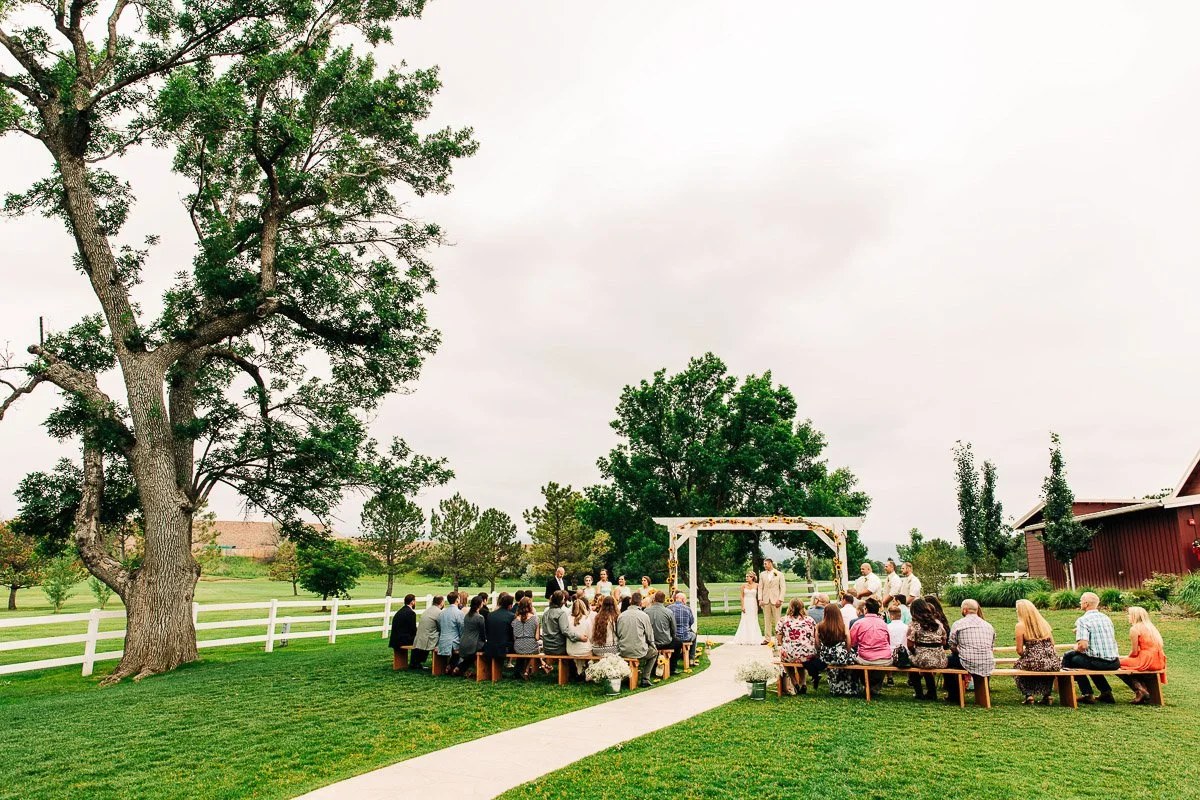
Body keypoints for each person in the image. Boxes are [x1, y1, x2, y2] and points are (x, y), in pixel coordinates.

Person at [1061, 591, 1121, 703]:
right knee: (1085, 661)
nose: (1079, 602)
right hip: (1114, 662)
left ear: (1086, 604)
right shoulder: (1106, 618)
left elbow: (1083, 646)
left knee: (1073, 659)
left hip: (1099, 662)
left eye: (1081, 601)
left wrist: (1075, 648)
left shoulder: (1083, 620)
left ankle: (1087, 694)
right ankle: (1106, 692)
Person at [946, 599, 995, 703]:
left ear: (965, 610)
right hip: (987, 661)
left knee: (947, 662)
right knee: (983, 660)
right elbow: (991, 646)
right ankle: (985, 694)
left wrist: (958, 651)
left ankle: (954, 695)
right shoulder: (988, 625)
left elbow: (951, 644)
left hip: (966, 660)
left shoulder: (958, 624)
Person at [1013, 598, 1058, 705]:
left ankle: (1029, 695)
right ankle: (1047, 694)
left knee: (1018, 666)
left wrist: (1028, 655)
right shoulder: (1044, 624)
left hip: (1033, 660)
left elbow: (1019, 650)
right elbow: (1053, 643)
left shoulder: (1020, 626)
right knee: (1048, 668)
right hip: (1051, 660)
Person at [1119, 606, 1167, 704]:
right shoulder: (1151, 627)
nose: (1128, 617)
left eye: (1129, 615)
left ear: (1134, 616)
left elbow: (1134, 652)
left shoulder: (1135, 629)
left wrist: (1124, 657)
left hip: (1146, 660)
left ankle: (1139, 690)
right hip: (1158, 660)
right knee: (1123, 662)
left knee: (1115, 663)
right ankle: (1143, 689)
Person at [816, 603, 861, 696]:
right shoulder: (842, 626)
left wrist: (821, 651)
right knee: (853, 660)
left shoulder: (819, 626)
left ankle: (835, 687)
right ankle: (848, 687)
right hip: (840, 655)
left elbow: (817, 643)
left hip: (826, 657)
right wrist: (847, 652)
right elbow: (849, 641)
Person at [906, 598, 947, 700]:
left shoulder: (914, 625)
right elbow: (944, 641)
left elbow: (910, 645)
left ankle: (918, 692)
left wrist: (916, 652)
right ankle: (932, 692)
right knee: (927, 666)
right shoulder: (938, 623)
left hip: (923, 658)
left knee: (911, 662)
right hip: (940, 659)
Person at [849, 597, 892, 694]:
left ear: (866, 609)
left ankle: (865, 685)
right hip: (885, 658)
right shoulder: (883, 623)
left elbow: (852, 642)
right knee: (879, 662)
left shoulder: (858, 623)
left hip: (866, 658)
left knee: (855, 660)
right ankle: (875, 687)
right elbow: (888, 641)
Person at [777, 597, 819, 694]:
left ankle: (794, 681)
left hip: (790, 653)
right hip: (807, 654)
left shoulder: (783, 620)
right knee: (801, 656)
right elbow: (814, 634)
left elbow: (779, 638)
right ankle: (803, 683)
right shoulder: (810, 620)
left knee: (787, 657)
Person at [617, 591, 657, 688]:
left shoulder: (621, 615)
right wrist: (653, 646)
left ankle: (626, 676)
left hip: (623, 650)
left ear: (630, 602)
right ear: (640, 603)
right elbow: (649, 635)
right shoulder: (644, 616)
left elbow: (617, 633)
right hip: (639, 651)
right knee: (654, 653)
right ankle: (645, 678)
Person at [645, 590, 677, 679]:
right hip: (665, 642)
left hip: (650, 643)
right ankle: (672, 668)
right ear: (664, 600)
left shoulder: (646, 611)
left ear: (654, 599)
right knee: (678, 642)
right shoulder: (668, 612)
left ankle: (653, 667)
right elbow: (674, 629)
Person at [483, 593, 516, 677]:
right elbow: (513, 634)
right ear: (510, 605)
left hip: (489, 645)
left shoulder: (490, 615)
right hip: (504, 647)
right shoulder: (511, 616)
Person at [511, 596, 542, 679]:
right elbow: (537, 637)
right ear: (530, 606)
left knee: (526, 651)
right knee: (532, 649)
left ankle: (524, 671)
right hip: (531, 646)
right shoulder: (535, 619)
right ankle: (526, 671)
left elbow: (514, 636)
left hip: (518, 647)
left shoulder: (515, 619)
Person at [758, 558, 787, 645]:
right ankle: (767, 639)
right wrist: (760, 599)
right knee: (767, 620)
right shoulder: (762, 574)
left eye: (765, 564)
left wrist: (780, 599)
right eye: (764, 564)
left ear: (770, 563)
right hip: (766, 600)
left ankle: (779, 640)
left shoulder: (779, 574)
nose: (764, 565)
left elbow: (783, 587)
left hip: (776, 600)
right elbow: (760, 587)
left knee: (777, 620)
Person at [458, 594, 488, 678]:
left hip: (463, 642)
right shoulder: (480, 617)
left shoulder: (467, 616)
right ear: (480, 604)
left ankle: (459, 667)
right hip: (473, 644)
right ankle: (485, 670)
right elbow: (482, 634)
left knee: (471, 657)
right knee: (485, 650)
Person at [437, 591, 465, 674]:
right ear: (457, 600)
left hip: (442, 641)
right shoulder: (459, 613)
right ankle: (456, 667)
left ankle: (450, 665)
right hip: (453, 642)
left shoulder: (442, 613)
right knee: (464, 648)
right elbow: (462, 629)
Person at [668, 591, 697, 673]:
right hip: (685, 636)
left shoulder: (668, 608)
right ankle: (691, 658)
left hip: (673, 638)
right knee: (694, 635)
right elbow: (691, 622)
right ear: (683, 600)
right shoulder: (687, 609)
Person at [566, 598, 595, 678]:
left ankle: (579, 671)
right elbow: (591, 635)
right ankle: (587, 672)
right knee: (590, 649)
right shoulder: (586, 618)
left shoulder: (568, 619)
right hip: (584, 650)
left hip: (570, 650)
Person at [388, 593, 418, 670]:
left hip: (395, 640)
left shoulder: (400, 611)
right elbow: (413, 630)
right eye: (415, 601)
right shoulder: (411, 613)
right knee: (420, 640)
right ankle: (415, 663)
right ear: (412, 602)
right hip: (403, 640)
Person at [732, 571, 763, 645]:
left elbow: (761, 594)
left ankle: (753, 638)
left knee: (753, 619)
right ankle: (743, 638)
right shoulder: (743, 585)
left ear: (752, 578)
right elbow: (741, 596)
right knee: (745, 619)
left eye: (748, 576)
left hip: (753, 603)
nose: (746, 578)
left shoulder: (757, 585)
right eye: (746, 576)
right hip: (746, 603)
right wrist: (742, 606)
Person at [541, 590, 572, 657]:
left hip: (546, 647)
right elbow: (565, 631)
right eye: (563, 599)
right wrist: (578, 637)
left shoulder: (546, 613)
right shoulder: (561, 613)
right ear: (560, 601)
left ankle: (548, 665)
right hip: (558, 648)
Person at [885, 604, 908, 686]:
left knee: (887, 652)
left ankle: (889, 677)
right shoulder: (906, 627)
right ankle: (911, 678)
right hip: (905, 655)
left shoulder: (887, 627)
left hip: (891, 655)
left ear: (891, 616)